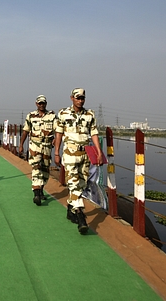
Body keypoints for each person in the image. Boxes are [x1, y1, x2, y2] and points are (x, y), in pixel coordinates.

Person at [53, 88, 102, 234]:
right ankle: (81, 216)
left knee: (82, 183)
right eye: (78, 98)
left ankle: (70, 207)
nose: (80, 100)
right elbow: (59, 133)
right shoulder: (63, 113)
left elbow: (93, 133)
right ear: (72, 98)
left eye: (82, 98)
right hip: (70, 152)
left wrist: (99, 152)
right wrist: (56, 152)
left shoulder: (90, 114)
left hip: (85, 153)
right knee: (73, 183)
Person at [19, 95, 57, 206]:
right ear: (36, 104)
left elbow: (58, 130)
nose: (41, 105)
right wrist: (21, 145)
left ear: (46, 104)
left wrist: (56, 140)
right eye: (39, 103)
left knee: (45, 170)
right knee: (36, 167)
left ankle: (40, 190)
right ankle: (36, 193)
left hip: (47, 145)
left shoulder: (52, 116)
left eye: (43, 103)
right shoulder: (31, 116)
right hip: (35, 145)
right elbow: (25, 131)